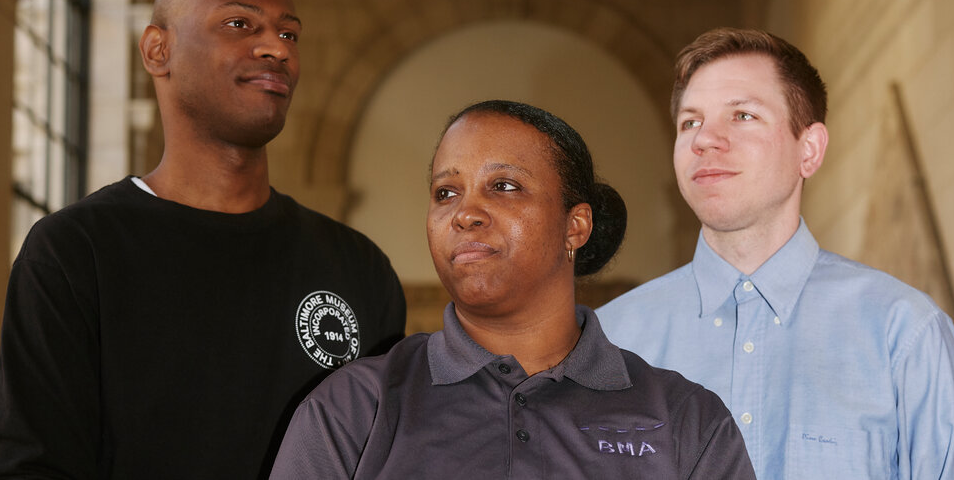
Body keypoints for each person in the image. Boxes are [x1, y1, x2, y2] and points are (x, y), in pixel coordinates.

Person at [0, 0, 405, 479]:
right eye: (239, 23)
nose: (276, 48)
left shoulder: (358, 268)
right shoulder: (75, 251)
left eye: (289, 35)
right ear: (159, 50)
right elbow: (27, 467)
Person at [269, 100, 756, 479]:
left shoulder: (685, 418)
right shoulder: (356, 408)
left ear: (575, 226)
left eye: (504, 186)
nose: (465, 212)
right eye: (446, 192)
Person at [596, 28, 954, 479]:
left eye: (742, 115)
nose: (704, 140)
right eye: (690, 122)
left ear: (810, 149)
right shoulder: (612, 341)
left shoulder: (905, 334)